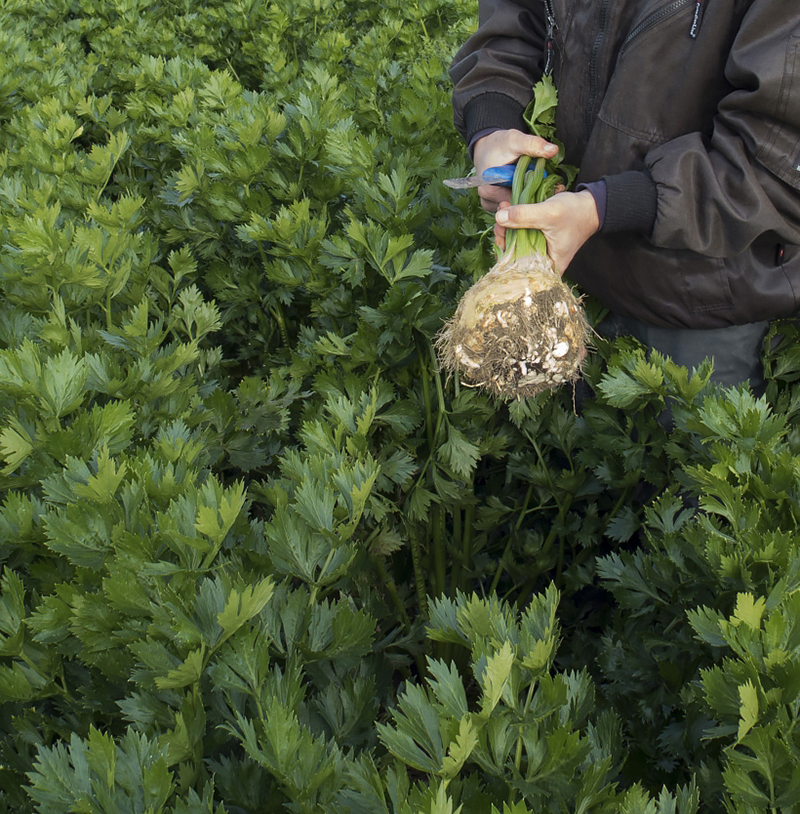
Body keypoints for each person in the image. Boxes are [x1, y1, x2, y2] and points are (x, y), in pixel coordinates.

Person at [449, 0, 800, 394]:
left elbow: (780, 160)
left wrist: (607, 206)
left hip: (702, 293)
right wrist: (491, 125)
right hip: (569, 277)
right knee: (578, 440)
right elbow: (514, 21)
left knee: (698, 443)